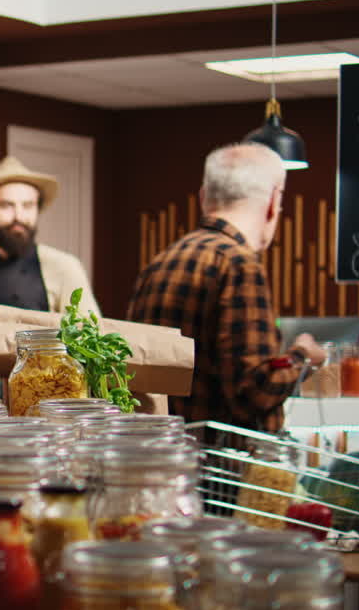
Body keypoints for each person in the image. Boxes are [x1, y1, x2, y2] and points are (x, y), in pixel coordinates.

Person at [126, 142, 326, 433]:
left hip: (166, 453)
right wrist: (302, 356)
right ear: (273, 201)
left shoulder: (161, 261)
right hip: (222, 465)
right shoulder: (239, 264)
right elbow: (254, 392)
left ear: (203, 197)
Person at [0, 155, 100, 323]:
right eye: (6, 205)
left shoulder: (65, 268)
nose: (18, 216)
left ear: (37, 209)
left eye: (27, 205)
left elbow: (89, 339)